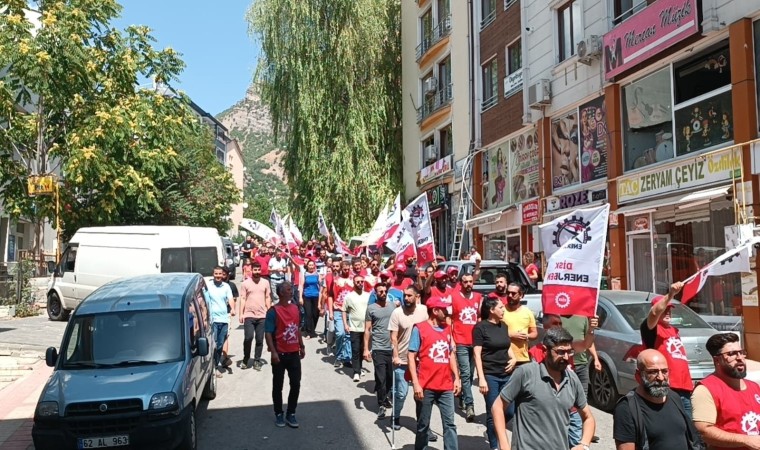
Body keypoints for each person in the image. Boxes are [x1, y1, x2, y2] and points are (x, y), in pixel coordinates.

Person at [492, 327, 596, 450]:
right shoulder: (526, 373)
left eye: (570, 351)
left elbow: (588, 418)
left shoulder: (572, 379)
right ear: (545, 350)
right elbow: (497, 407)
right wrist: (504, 445)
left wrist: (584, 444)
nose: (567, 357)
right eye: (561, 352)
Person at [613, 349, 700, 450]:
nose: (661, 378)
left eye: (664, 371)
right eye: (653, 372)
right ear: (638, 375)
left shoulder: (674, 397)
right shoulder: (627, 408)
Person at [408, 297, 461, 450]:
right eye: (443, 309)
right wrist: (416, 384)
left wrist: (456, 378)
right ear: (435, 311)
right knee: (423, 424)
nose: (446, 312)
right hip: (426, 385)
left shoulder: (447, 328)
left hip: (445, 384)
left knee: (450, 424)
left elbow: (450, 354)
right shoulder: (419, 329)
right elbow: (411, 356)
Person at [692, 332, 760, 449]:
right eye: (732, 354)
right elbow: (704, 432)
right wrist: (746, 440)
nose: (740, 358)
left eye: (741, 352)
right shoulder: (705, 389)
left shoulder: (754, 387)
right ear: (717, 360)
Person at [640, 281, 694, 416]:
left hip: (685, 388)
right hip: (667, 387)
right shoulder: (652, 329)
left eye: (670, 309)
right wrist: (670, 294)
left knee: (688, 428)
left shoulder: (674, 330)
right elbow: (654, 313)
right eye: (665, 309)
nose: (668, 312)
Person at [473, 297, 516, 450]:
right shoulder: (480, 328)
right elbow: (477, 354)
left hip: (506, 374)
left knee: (510, 410)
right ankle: (495, 446)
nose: (504, 310)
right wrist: (481, 379)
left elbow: (507, 345)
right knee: (493, 413)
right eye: (501, 307)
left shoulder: (503, 326)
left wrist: (514, 358)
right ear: (491, 310)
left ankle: (492, 431)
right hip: (490, 376)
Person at [265, 281, 305, 428]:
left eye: (291, 289)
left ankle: (291, 413)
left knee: (295, 383)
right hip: (279, 354)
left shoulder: (296, 308)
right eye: (288, 289)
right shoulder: (273, 311)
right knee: (278, 385)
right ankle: (278, 413)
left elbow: (297, 329)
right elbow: (268, 333)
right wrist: (273, 352)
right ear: (281, 292)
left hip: (294, 353)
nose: (291, 291)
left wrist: (301, 345)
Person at [388, 286, 429, 431]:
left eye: (409, 296)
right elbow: (393, 337)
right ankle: (396, 416)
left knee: (421, 395)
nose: (406, 298)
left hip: (420, 361)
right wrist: (396, 356)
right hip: (403, 360)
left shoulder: (424, 310)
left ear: (416, 297)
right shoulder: (397, 313)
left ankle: (423, 426)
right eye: (405, 295)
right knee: (401, 393)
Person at [451, 272, 482, 422]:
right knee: (465, 373)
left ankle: (463, 395)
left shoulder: (478, 297)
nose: (469, 284)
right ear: (461, 283)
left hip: (474, 342)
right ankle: (470, 406)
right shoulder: (455, 297)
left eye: (471, 282)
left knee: (470, 374)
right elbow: (450, 319)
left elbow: (480, 317)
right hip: (460, 340)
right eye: (466, 282)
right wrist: (451, 340)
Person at [364, 282, 397, 419]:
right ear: (375, 293)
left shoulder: (393, 307)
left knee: (390, 377)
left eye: (384, 291)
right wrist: (366, 349)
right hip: (378, 348)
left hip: (392, 348)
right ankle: (382, 403)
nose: (383, 294)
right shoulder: (371, 309)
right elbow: (367, 330)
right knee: (381, 377)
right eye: (380, 292)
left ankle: (385, 395)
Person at [239, 262, 272, 371]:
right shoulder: (245, 283)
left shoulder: (266, 282)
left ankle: (257, 360)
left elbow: (267, 297)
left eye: (258, 270)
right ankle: (246, 358)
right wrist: (241, 314)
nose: (257, 272)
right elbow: (243, 299)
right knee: (248, 338)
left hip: (262, 315)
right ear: (251, 270)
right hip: (249, 314)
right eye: (255, 270)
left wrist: (269, 311)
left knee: (259, 339)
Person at [203, 266, 235, 377]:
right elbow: (204, 301)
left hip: (224, 319)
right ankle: (212, 368)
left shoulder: (226, 286)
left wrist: (233, 309)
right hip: (213, 320)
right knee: (214, 343)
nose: (218, 276)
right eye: (216, 273)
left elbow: (230, 299)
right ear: (213, 274)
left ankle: (215, 365)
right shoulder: (208, 287)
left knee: (220, 345)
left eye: (220, 274)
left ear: (223, 275)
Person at [502, 282, 538, 368]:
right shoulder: (501, 311)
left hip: (523, 358)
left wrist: (527, 336)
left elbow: (534, 333)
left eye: (513, 293)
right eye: (508, 293)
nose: (510, 295)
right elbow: (493, 332)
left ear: (521, 295)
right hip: (505, 357)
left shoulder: (527, 312)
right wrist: (511, 335)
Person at [343, 274, 370, 382]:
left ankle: (359, 367)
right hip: (354, 327)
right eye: (358, 282)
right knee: (355, 350)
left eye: (361, 282)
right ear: (354, 283)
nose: (360, 284)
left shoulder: (368, 295)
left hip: (366, 328)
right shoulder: (349, 296)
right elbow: (344, 310)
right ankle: (356, 372)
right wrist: (345, 324)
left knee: (362, 349)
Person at [330, 260, 355, 367]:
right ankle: (339, 356)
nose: (346, 270)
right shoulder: (335, 280)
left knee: (348, 334)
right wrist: (331, 311)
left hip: (350, 311)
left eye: (348, 269)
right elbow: (330, 295)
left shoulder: (354, 280)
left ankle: (347, 358)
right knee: (340, 333)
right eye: (344, 269)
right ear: (341, 269)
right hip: (338, 310)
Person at [299, 259, 321, 339]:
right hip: (307, 296)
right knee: (308, 314)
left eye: (312, 265)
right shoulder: (304, 274)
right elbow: (301, 286)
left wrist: (320, 300)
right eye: (310, 265)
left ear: (314, 266)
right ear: (307, 266)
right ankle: (309, 332)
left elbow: (321, 287)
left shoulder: (317, 275)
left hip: (316, 296)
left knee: (315, 314)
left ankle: (313, 330)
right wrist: (300, 297)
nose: (311, 266)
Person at [220, 266, 238, 369]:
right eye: (219, 274)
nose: (221, 276)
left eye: (223, 274)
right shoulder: (214, 285)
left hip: (226, 314)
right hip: (216, 314)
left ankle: (225, 357)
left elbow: (234, 299)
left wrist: (233, 310)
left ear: (227, 275)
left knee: (225, 335)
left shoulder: (231, 286)